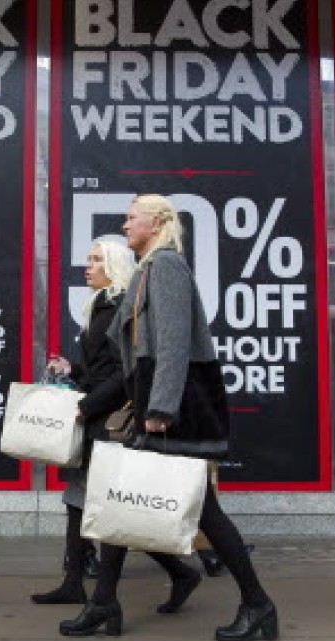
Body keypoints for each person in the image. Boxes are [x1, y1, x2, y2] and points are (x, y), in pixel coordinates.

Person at [59, 194, 277, 641]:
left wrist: (161, 409)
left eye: (131, 218)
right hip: (157, 408)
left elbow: (175, 344)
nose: (124, 225)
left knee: (207, 515)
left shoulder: (167, 268)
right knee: (121, 498)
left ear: (157, 222)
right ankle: (103, 600)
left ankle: (257, 603)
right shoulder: (146, 270)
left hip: (175, 413)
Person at [34, 238, 202, 610]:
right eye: (88, 258)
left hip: (109, 423)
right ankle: (74, 583)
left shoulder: (116, 308)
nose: (87, 266)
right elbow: (102, 370)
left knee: (114, 510)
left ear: (114, 265)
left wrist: (84, 407)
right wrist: (72, 370)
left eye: (96, 259)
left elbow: (124, 374)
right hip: (98, 418)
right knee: (77, 501)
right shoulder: (100, 305)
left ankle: (173, 575)